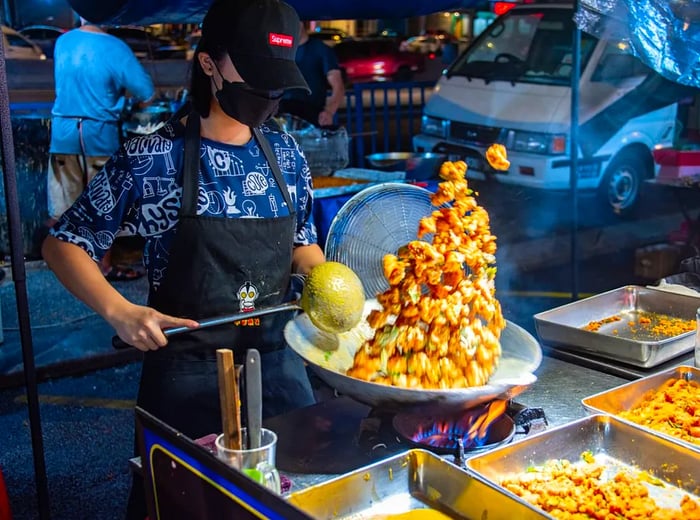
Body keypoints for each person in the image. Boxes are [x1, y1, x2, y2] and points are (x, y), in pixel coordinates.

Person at [41, 0, 325, 517]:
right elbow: (65, 243)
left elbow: (302, 240)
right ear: (209, 64)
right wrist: (121, 312)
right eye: (255, 75)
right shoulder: (153, 156)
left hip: (278, 368)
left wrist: (326, 281)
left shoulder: (286, 154)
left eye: (277, 78)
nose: (269, 92)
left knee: (293, 503)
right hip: (186, 376)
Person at [47, 17, 155, 280]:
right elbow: (146, 92)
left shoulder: (63, 42)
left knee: (61, 207)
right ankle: (101, 270)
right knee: (104, 207)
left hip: (63, 135)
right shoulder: (115, 48)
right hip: (99, 137)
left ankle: (63, 267)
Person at [278, 21, 345, 127]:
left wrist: (329, 111)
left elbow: (338, 86)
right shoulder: (282, 50)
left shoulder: (320, 49)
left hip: (311, 111)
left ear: (300, 24)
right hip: (283, 112)